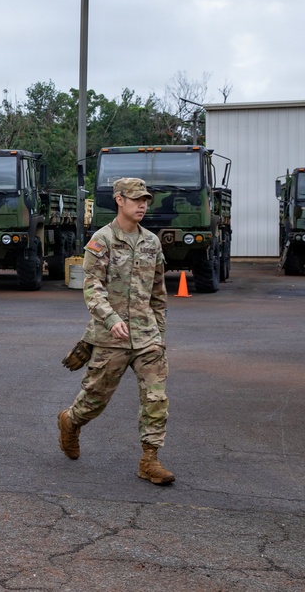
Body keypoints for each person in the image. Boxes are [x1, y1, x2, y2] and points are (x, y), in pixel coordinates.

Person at [57, 177, 175, 485]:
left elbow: (158, 294)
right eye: (136, 199)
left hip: (147, 335)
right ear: (119, 200)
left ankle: (149, 460)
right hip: (112, 336)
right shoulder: (102, 240)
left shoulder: (152, 241)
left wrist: (159, 335)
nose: (142, 205)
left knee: (156, 397)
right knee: (95, 398)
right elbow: (92, 288)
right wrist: (110, 319)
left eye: (145, 200)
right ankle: (71, 421)